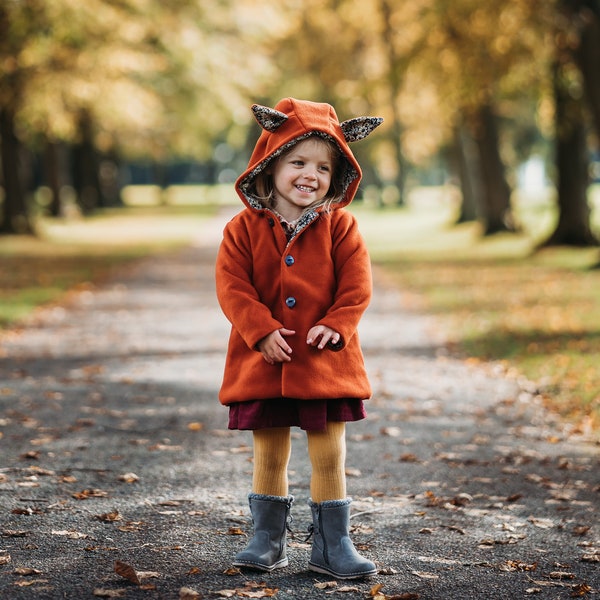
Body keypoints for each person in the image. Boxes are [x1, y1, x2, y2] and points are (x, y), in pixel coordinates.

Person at [215, 97, 382, 579]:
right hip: (263, 361)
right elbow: (232, 287)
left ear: (338, 177)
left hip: (325, 361)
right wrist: (260, 330)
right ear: (270, 167)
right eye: (298, 162)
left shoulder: (342, 227)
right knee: (270, 450)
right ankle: (267, 539)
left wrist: (338, 322)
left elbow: (357, 285)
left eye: (324, 168)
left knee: (329, 450)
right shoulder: (241, 229)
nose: (311, 174)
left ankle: (334, 544)